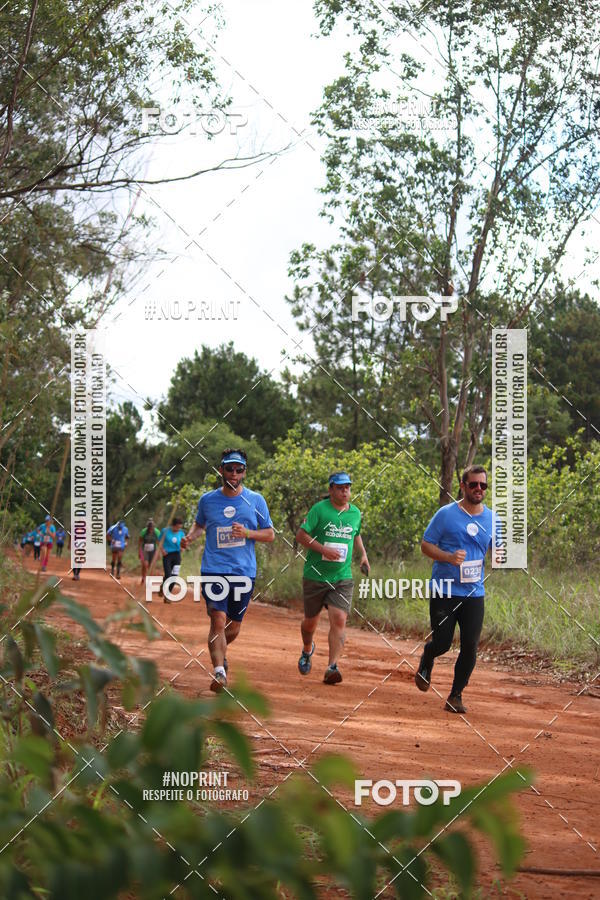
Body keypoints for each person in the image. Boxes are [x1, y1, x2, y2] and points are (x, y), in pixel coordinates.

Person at [182, 449, 274, 693]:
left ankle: (221, 653)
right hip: (214, 570)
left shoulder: (255, 501)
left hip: (244, 572)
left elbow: (270, 534)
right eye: (229, 468)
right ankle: (219, 672)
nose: (234, 473)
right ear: (220, 470)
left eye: (239, 469)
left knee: (233, 627)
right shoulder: (207, 500)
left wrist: (247, 533)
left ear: (244, 472)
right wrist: (190, 537)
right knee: (218, 619)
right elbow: (199, 524)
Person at [415, 465, 498, 714]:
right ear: (463, 486)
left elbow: (497, 551)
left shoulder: (493, 518)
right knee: (442, 643)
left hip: (474, 593)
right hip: (445, 589)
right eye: (473, 484)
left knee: (470, 645)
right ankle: (428, 656)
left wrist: (502, 557)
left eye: (483, 485)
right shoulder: (446, 514)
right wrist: (449, 557)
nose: (478, 489)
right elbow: (426, 545)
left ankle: (456, 695)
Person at [296, 472, 370, 685]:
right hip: (315, 575)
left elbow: (356, 534)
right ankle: (307, 649)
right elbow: (301, 535)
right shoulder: (319, 510)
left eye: (347, 487)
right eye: (339, 487)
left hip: (342, 577)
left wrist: (363, 555)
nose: (344, 491)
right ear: (331, 490)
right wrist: (322, 549)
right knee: (310, 622)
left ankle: (332, 667)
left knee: (339, 619)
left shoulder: (355, 512)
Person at [159, 518, 186, 599]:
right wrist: (162, 550)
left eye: (180, 528)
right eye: (177, 527)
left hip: (177, 556)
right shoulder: (165, 531)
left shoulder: (181, 533)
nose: (178, 529)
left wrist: (183, 548)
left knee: (174, 576)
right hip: (167, 555)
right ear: (173, 526)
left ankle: (167, 595)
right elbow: (160, 541)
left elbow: (184, 544)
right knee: (168, 575)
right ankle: (162, 587)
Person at [139, 518, 161, 584]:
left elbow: (158, 542)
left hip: (153, 550)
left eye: (152, 527)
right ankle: (143, 577)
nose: (151, 529)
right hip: (144, 550)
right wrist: (139, 552)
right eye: (149, 527)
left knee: (151, 566)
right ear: (147, 527)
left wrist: (159, 553)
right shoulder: (144, 531)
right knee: (145, 564)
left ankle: (149, 579)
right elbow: (140, 542)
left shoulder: (157, 532)